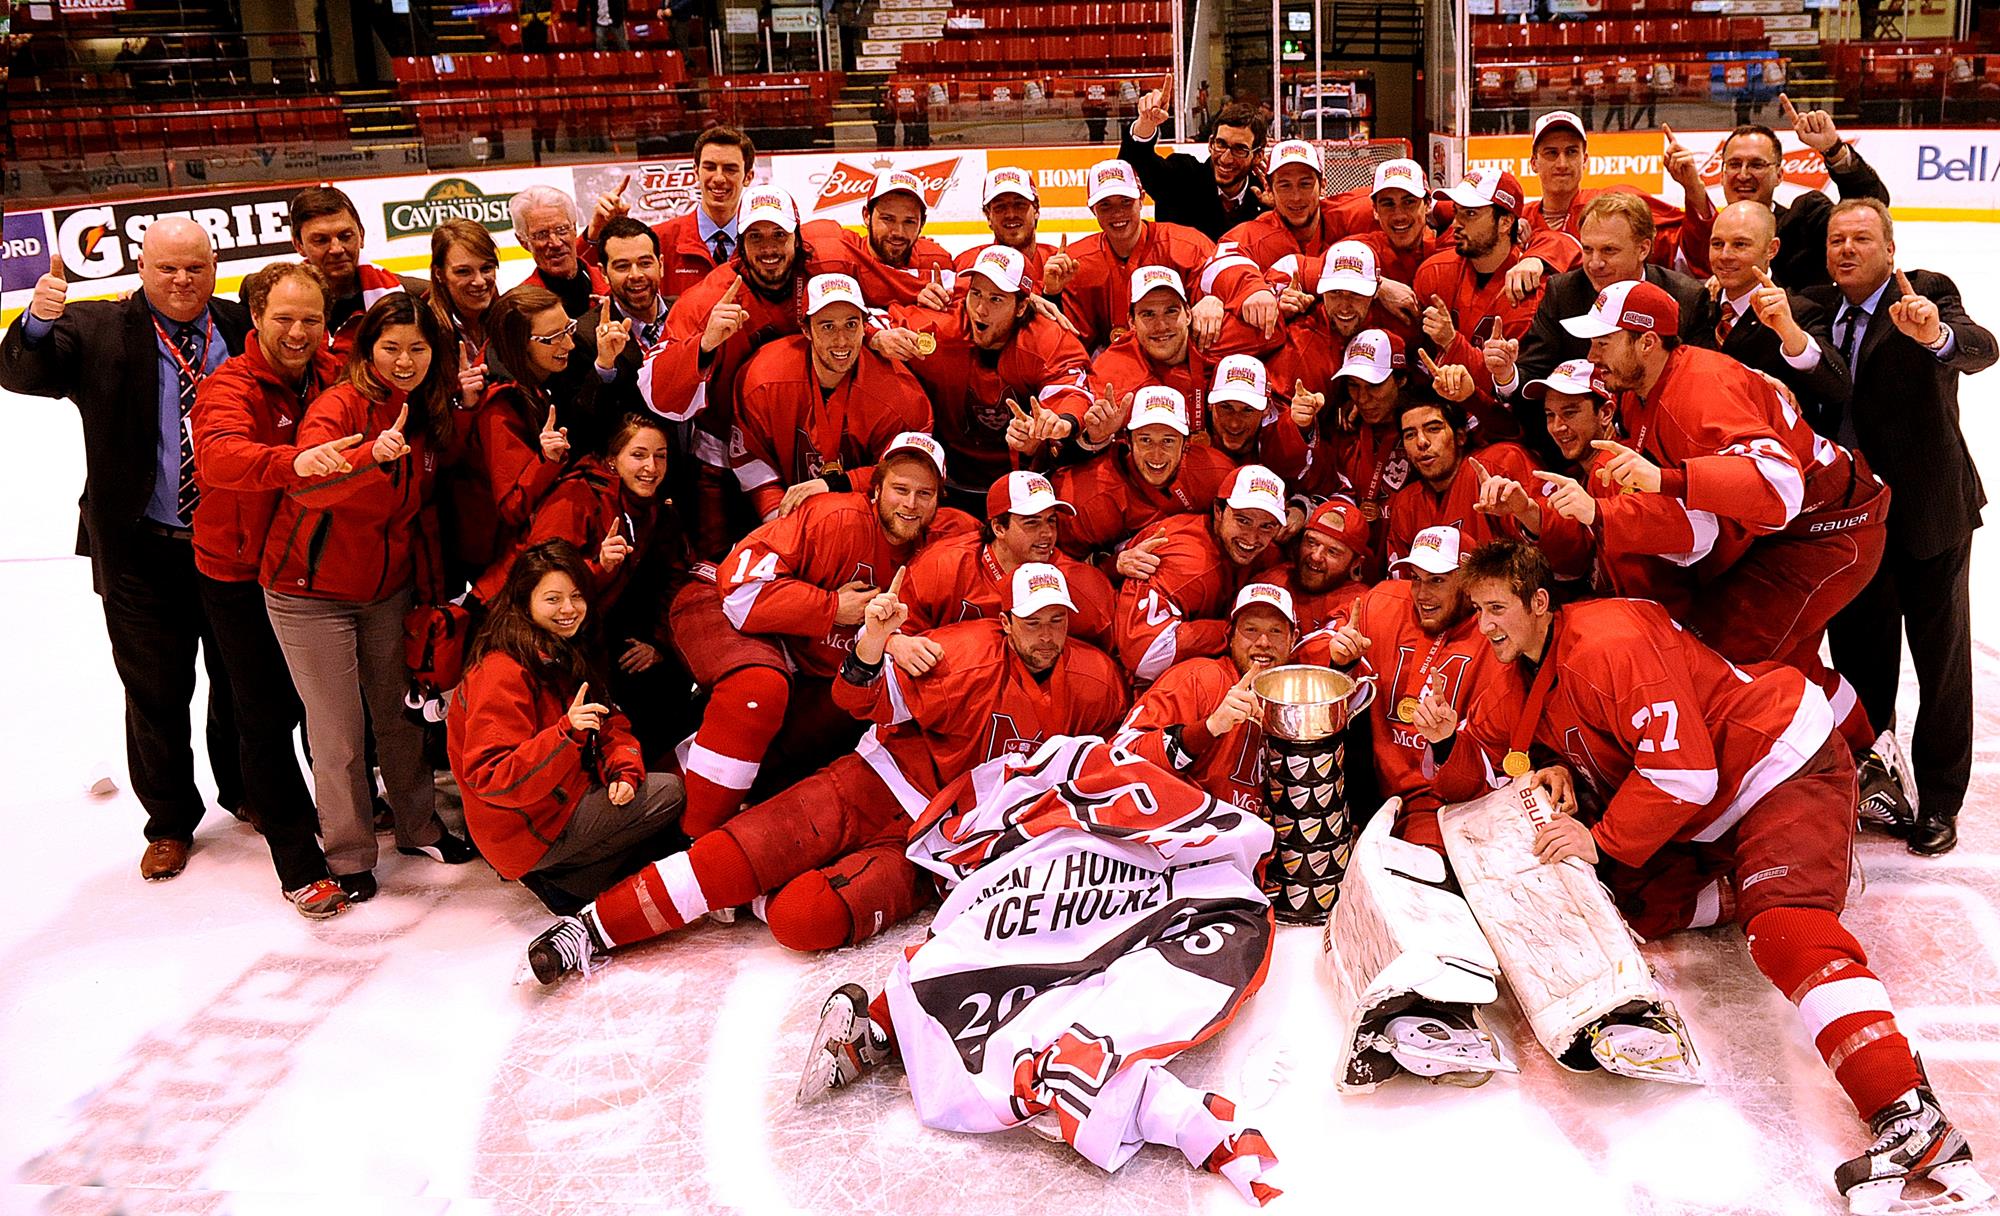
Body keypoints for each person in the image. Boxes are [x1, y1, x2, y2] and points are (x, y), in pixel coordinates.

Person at [1449, 541, 1989, 1214]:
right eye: (1477, 609)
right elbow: (1497, 757)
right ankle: (1759, 879)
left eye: (1497, 607)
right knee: (1631, 902)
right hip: (1709, 810)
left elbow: (1685, 773)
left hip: (1777, 762)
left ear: (1539, 602)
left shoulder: (1606, 644)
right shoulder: (1526, 667)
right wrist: (1545, 767)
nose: (1486, 624)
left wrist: (1600, 836)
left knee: (1786, 930)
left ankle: (1908, 1116)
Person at [524, 561, 1128, 980]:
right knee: (732, 857)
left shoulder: (1097, 684)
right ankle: (591, 931)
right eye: (1032, 620)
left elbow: (1113, 767)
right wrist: (872, 644)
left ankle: (755, 890)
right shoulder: (959, 654)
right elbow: (854, 699)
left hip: (936, 848)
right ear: (1005, 621)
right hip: (872, 785)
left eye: (1056, 621)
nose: (1046, 635)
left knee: (802, 918)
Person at [1, 219, 249, 882]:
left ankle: (244, 791)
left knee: (239, 681)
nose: (181, 281)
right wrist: (33, 321)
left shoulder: (240, 323)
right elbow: (25, 375)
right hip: (142, 549)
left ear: (214, 264)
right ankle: (168, 822)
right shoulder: (97, 327)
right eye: (167, 268)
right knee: (156, 692)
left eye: (194, 267)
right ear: (142, 266)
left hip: (233, 545)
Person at [1554, 279, 1888, 757]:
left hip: (1830, 531)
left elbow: (1782, 486)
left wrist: (1667, 482)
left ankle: (1865, 756)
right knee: (1776, 658)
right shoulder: (1641, 389)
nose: (1592, 355)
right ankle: (1868, 751)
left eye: (1604, 342)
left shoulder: (1700, 389)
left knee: (1729, 651)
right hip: (1782, 531)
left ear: (1647, 342)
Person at [260, 293, 477, 902]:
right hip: (310, 592)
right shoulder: (341, 404)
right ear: (367, 349)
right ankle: (350, 853)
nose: (405, 361)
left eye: (418, 348)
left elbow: (425, 510)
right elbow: (310, 483)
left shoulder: (429, 407)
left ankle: (417, 825)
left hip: (387, 589)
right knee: (338, 730)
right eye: (391, 348)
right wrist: (366, 456)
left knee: (400, 715)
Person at [1814, 199, 1998, 856]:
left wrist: (1933, 335)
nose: (1847, 249)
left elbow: (1980, 348)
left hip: (1928, 518)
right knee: (1862, 664)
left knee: (1941, 665)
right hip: (1851, 523)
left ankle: (1941, 801)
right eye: (1837, 239)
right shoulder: (1814, 307)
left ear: (1890, 251)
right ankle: (1878, 779)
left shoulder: (1929, 294)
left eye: (1862, 238)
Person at [667, 433, 949, 838]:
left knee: (810, 733)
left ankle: (643, 817)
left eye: (925, 494)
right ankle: (695, 844)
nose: (910, 504)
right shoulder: (833, 517)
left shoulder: (935, 549)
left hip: (805, 656)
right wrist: (833, 608)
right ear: (876, 489)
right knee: (758, 691)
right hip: (717, 602)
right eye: (901, 490)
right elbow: (742, 595)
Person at [189, 261, 352, 917]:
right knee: (265, 714)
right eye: (284, 318)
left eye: (310, 319)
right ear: (256, 317)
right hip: (237, 572)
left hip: (311, 570)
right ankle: (296, 860)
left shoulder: (333, 374)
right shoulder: (229, 385)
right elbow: (219, 456)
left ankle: (335, 817)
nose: (298, 331)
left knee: (322, 704)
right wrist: (295, 462)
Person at [449, 541, 684, 916]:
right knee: (668, 794)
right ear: (524, 602)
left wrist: (622, 767)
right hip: (521, 826)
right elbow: (490, 775)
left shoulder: (563, 647)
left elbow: (608, 720)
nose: (569, 609)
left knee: (651, 792)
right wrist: (566, 735)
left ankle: (569, 875)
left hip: (558, 799)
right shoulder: (501, 670)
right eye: (553, 599)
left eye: (576, 596)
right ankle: (567, 879)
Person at [1318, 525, 1504, 850]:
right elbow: (1309, 646)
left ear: (1470, 582)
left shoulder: (1495, 636)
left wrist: (1447, 743)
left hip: (1448, 804)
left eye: (1437, 580)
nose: (1422, 593)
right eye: (1416, 578)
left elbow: (1493, 758)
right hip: (1370, 790)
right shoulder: (1382, 601)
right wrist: (1340, 662)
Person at [868, 244, 1095, 507]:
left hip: (1025, 490)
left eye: (996, 299)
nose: (980, 309)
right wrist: (878, 338)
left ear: (1022, 306)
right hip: (949, 484)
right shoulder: (942, 329)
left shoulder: (1045, 338)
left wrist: (1060, 420)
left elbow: (1072, 388)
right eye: (976, 293)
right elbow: (875, 317)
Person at [1490, 191, 1708, 454]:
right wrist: (1506, 375)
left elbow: (1694, 389)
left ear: (1643, 249)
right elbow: (1533, 375)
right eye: (1588, 249)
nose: (1595, 263)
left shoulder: (1686, 298)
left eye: (1609, 250)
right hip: (1575, 454)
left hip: (1659, 448)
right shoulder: (1563, 293)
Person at [732, 273, 933, 521]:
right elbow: (752, 457)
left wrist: (841, 484)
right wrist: (779, 519)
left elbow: (910, 476)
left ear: (864, 327)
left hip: (866, 519)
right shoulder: (763, 380)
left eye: (851, 324)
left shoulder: (901, 398)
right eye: (828, 326)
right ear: (806, 329)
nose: (841, 340)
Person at [1413, 170, 1573, 436]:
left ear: (1505, 222)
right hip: (1435, 418)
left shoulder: (1533, 295)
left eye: (1471, 214)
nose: (1456, 224)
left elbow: (1510, 392)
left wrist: (1453, 343)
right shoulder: (1434, 272)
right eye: (1457, 211)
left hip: (1500, 429)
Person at [1117, 582, 1300, 812]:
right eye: (1251, 629)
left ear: (1293, 639)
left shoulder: (1300, 697)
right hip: (1187, 836)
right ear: (1230, 635)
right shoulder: (1199, 678)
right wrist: (1207, 728)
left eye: (1275, 631)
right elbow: (1120, 753)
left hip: (1255, 841)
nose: (1263, 642)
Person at [1678, 96, 1890, 290]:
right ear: (1722, 175)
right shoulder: (1714, 232)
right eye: (1734, 164)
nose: (1743, 175)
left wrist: (1833, 149)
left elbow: (1870, 204)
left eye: (1757, 165)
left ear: (1779, 175)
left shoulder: (1805, 219)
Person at [441, 284, 574, 585]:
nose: (569, 344)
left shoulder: (531, 378)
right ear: (519, 343)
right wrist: (549, 461)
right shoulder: (499, 407)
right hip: (496, 562)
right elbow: (513, 505)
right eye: (553, 338)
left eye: (569, 329)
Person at [899, 470, 1117, 652]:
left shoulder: (1081, 585)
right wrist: (896, 643)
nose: (1047, 534)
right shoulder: (942, 565)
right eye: (1031, 523)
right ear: (999, 528)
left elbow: (1113, 656)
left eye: (1051, 521)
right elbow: (899, 634)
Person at [1114, 463, 1288, 683]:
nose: (1252, 538)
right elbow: (1144, 657)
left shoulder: (1268, 555)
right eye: (1243, 521)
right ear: (1218, 511)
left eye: (1266, 527)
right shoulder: (1192, 568)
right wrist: (1234, 632)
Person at [1690, 201, 1850, 424]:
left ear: (1772, 249)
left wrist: (1790, 333)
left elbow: (1836, 390)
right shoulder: (1696, 306)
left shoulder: (1799, 312)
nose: (1725, 255)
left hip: (1776, 451)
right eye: (1717, 244)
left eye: (1740, 245)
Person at [1051, 159, 1234, 352]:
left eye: (1126, 202)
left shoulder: (1190, 246)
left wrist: (1215, 299)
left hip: (1181, 358)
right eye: (1105, 205)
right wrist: (1050, 294)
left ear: (1142, 199)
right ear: (1092, 210)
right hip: (1115, 365)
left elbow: (1230, 288)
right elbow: (1068, 341)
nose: (1118, 213)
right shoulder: (1076, 262)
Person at [1051, 385, 1238, 560]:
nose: (1156, 454)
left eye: (1168, 441)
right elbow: (1066, 566)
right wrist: (1113, 565)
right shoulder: (1087, 500)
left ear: (1186, 444)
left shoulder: (1216, 473)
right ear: (1129, 441)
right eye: (1146, 440)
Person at [582, 125, 757, 307]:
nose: (719, 178)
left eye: (730, 169)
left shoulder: (762, 244)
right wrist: (595, 236)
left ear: (748, 176)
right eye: (710, 167)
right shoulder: (658, 240)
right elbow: (592, 283)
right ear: (696, 172)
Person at [1521, 109, 1710, 266]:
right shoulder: (1516, 220)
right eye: (1551, 153)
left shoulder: (1616, 204)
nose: (1562, 163)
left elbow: (1687, 254)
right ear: (1533, 163)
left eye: (1571, 152)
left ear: (1584, 160)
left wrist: (1693, 188)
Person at [1120, 77, 1270, 240]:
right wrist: (1146, 124)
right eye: (1221, 144)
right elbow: (1133, 163)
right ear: (1211, 142)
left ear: (1258, 155)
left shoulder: (1267, 197)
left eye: (1240, 149)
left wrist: (1280, 214)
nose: (1226, 159)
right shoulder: (1182, 178)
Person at [569, 217, 669, 452]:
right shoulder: (584, 335)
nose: (636, 275)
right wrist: (603, 366)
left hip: (694, 472)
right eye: (622, 266)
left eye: (645, 263)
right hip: (631, 477)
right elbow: (580, 425)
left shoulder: (686, 313)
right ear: (603, 272)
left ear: (661, 264)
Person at [287, 185, 422, 358]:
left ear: (362, 236)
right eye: (321, 240)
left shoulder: (410, 296)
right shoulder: (276, 301)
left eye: (345, 236)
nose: (336, 249)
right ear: (299, 245)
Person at [1218, 140, 1373, 271]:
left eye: (1305, 184)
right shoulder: (1250, 237)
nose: (1296, 197)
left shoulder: (1359, 213)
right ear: (1269, 189)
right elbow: (1215, 272)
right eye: (1285, 186)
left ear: (1323, 186)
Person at [427, 219, 504, 407]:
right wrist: (462, 403)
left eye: (486, 268)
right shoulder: (425, 331)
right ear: (440, 274)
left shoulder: (510, 319)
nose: (479, 281)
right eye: (463, 272)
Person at [1271, 498, 1370, 633]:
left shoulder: (1363, 604)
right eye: (1312, 542)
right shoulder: (1269, 583)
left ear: (1355, 563)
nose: (1316, 556)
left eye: (1332, 551)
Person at [512, 186, 608, 318]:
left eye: (562, 229)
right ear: (522, 241)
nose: (555, 243)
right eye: (541, 234)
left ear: (574, 228)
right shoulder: (519, 308)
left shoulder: (612, 283)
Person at [953, 167, 1057, 284]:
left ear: (1036, 210)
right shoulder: (966, 265)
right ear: (988, 217)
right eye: (1000, 207)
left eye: (1019, 205)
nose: (1011, 215)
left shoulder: (1059, 266)